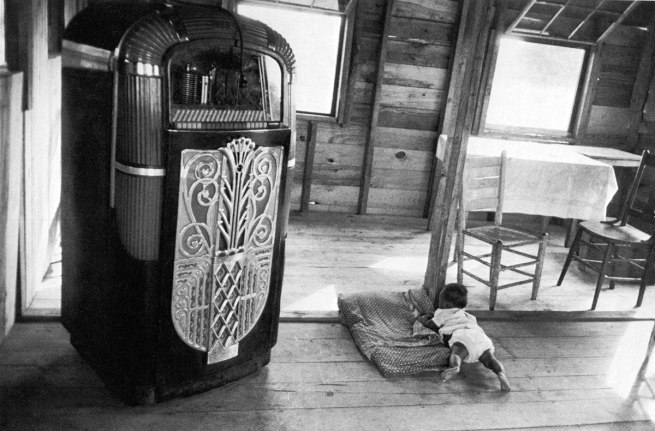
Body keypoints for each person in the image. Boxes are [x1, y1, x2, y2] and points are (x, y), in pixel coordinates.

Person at [418, 283, 511, 391]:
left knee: (457, 353)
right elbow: (475, 325)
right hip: (479, 336)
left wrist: (424, 319)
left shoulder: (442, 313)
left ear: (445, 303)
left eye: (440, 300)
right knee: (489, 359)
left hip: (461, 334)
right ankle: (500, 373)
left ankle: (455, 367)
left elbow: (431, 325)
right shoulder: (467, 315)